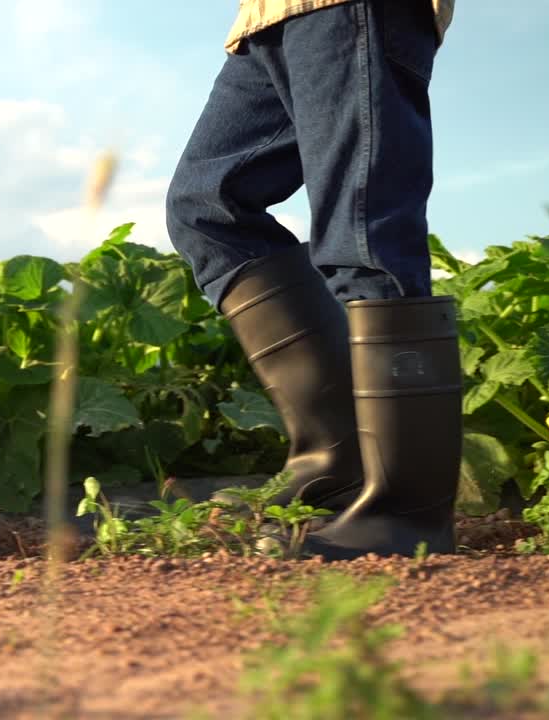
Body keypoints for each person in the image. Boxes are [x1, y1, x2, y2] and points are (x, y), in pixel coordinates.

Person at [165, 0, 461, 560]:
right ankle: (339, 471)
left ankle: (407, 511)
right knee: (206, 208)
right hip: (264, 18)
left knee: (363, 232)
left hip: (351, 8)